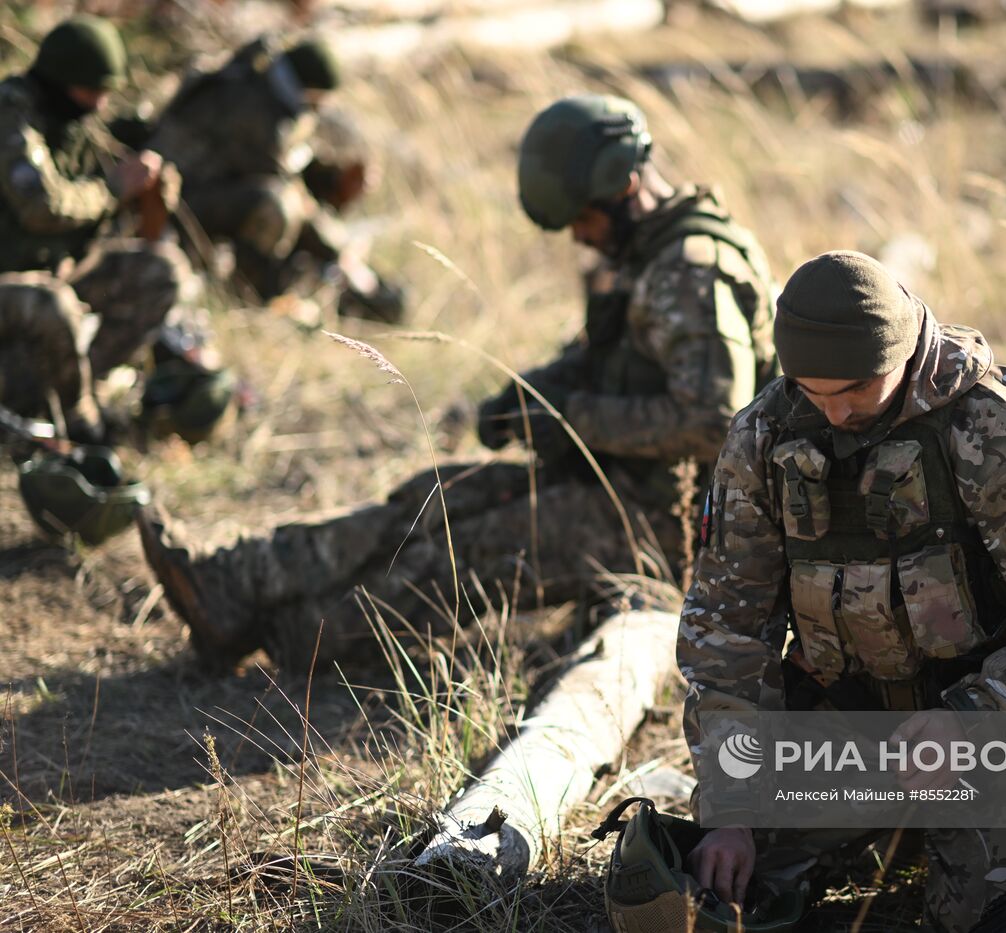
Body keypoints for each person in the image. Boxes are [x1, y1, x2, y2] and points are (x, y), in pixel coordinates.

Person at [138, 93, 778, 671]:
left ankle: (295, 637)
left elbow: (710, 422)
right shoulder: (644, 254)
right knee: (431, 496)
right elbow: (606, 355)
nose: (579, 236)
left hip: (671, 523)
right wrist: (526, 396)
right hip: (616, 481)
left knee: (459, 555)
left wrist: (566, 416)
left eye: (584, 218)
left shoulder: (694, 272)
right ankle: (233, 583)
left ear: (626, 187)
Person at [677, 251, 1006, 930]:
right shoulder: (766, 435)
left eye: (857, 390)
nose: (835, 414)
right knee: (716, 886)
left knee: (994, 915)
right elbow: (726, 631)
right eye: (814, 391)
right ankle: (892, 829)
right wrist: (730, 809)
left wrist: (970, 717)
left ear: (900, 353)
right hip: (856, 723)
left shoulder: (995, 427)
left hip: (1002, 729)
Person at [0, 15, 197, 444]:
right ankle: (80, 426)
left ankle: (55, 395)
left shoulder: (79, 123)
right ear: (58, 81)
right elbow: (41, 206)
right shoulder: (11, 113)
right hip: (15, 290)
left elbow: (128, 217)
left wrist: (153, 187)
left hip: (55, 276)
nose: (100, 105)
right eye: (92, 92)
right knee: (52, 304)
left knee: (162, 272)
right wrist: (114, 188)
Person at [147, 35, 404, 322]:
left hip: (205, 191)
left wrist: (334, 179)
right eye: (317, 99)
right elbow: (285, 183)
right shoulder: (250, 103)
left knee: (287, 206)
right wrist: (339, 252)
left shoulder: (266, 90)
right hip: (176, 204)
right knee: (276, 206)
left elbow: (293, 163)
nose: (318, 108)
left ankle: (353, 288)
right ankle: (248, 298)